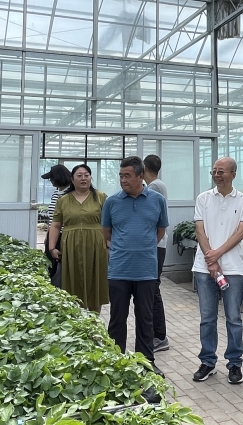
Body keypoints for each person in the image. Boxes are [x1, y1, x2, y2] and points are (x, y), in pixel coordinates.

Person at [103, 156, 169, 375]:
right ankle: (115, 362)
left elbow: (160, 230)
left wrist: (144, 247)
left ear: (141, 176)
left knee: (145, 320)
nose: (123, 180)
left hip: (146, 271)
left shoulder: (157, 200)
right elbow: (107, 233)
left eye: (127, 176)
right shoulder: (112, 202)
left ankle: (146, 364)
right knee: (117, 319)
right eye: (121, 176)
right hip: (119, 270)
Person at [191, 157, 243, 385]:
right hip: (204, 267)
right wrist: (211, 260)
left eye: (221, 171)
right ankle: (207, 361)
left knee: (234, 318)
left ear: (233, 174)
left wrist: (216, 255)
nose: (217, 175)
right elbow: (200, 230)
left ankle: (235, 364)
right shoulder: (203, 198)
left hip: (233, 268)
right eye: (214, 171)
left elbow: (240, 233)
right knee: (207, 318)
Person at [48, 164, 108, 311]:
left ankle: (94, 319)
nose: (83, 178)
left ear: (91, 178)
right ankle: (76, 317)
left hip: (96, 245)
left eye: (86, 175)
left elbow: (111, 222)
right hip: (70, 246)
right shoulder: (63, 200)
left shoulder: (101, 197)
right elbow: (55, 225)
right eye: (79, 175)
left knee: (95, 281)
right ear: (72, 179)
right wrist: (52, 247)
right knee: (72, 280)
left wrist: (109, 241)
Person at [143, 154, 170, 353]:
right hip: (156, 244)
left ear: (144, 168)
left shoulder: (154, 187)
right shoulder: (158, 185)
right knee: (153, 289)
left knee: (153, 289)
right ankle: (156, 335)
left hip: (156, 244)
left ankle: (160, 336)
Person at [42, 164, 72, 287]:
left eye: (51, 178)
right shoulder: (57, 192)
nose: (50, 181)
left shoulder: (71, 193)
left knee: (60, 264)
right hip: (54, 234)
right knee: (51, 265)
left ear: (59, 177)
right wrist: (48, 236)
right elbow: (53, 218)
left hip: (64, 235)